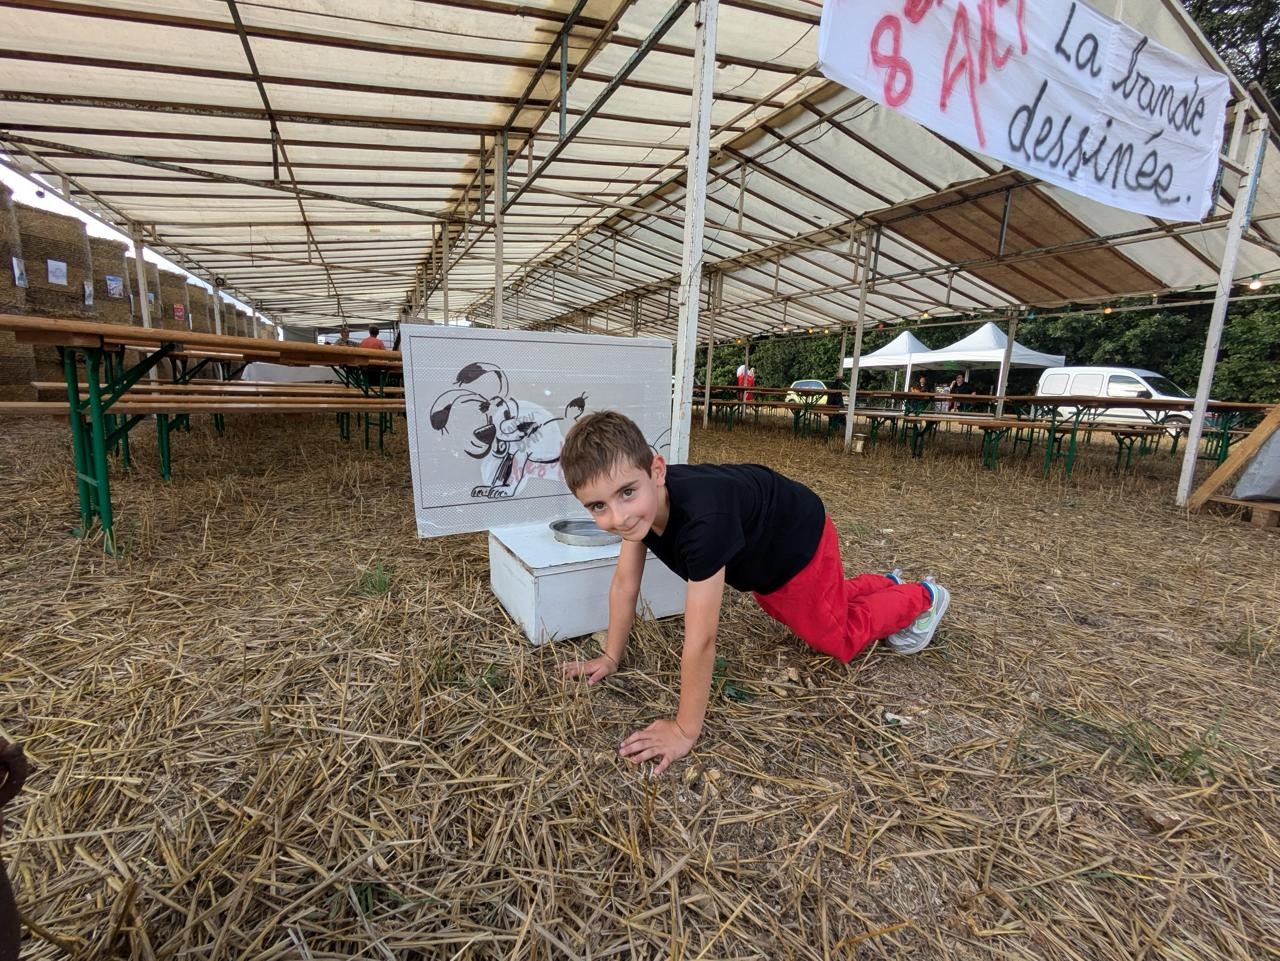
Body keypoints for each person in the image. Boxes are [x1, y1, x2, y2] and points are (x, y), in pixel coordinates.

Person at [558, 411, 951, 775]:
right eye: (598, 506)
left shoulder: (702, 525)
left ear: (656, 470)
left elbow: (702, 638)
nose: (618, 516)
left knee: (835, 636)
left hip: (795, 540)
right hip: (765, 547)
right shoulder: (642, 514)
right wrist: (611, 656)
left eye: (627, 492)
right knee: (807, 604)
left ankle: (924, 597)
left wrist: (683, 729)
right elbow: (625, 584)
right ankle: (888, 585)